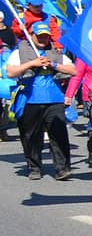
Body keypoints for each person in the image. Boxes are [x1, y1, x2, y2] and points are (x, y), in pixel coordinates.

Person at [4, 21, 74, 180]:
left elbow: (73, 70)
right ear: (32, 35)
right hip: (30, 99)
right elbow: (10, 72)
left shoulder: (55, 51)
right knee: (30, 136)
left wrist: (55, 65)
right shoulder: (20, 51)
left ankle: (62, 169)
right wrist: (32, 63)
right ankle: (34, 167)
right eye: (39, 36)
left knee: (59, 134)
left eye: (45, 36)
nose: (43, 40)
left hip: (54, 98)